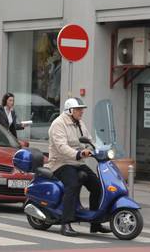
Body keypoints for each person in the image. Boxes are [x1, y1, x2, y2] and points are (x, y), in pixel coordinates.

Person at [46, 97, 111, 237]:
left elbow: (88, 140)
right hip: (60, 163)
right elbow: (61, 147)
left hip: (77, 162)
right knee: (72, 184)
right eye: (78, 109)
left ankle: (95, 224)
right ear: (70, 111)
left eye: (82, 109)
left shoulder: (79, 123)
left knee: (98, 186)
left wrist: (97, 149)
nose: (81, 112)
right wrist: (78, 153)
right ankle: (65, 223)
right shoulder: (58, 124)